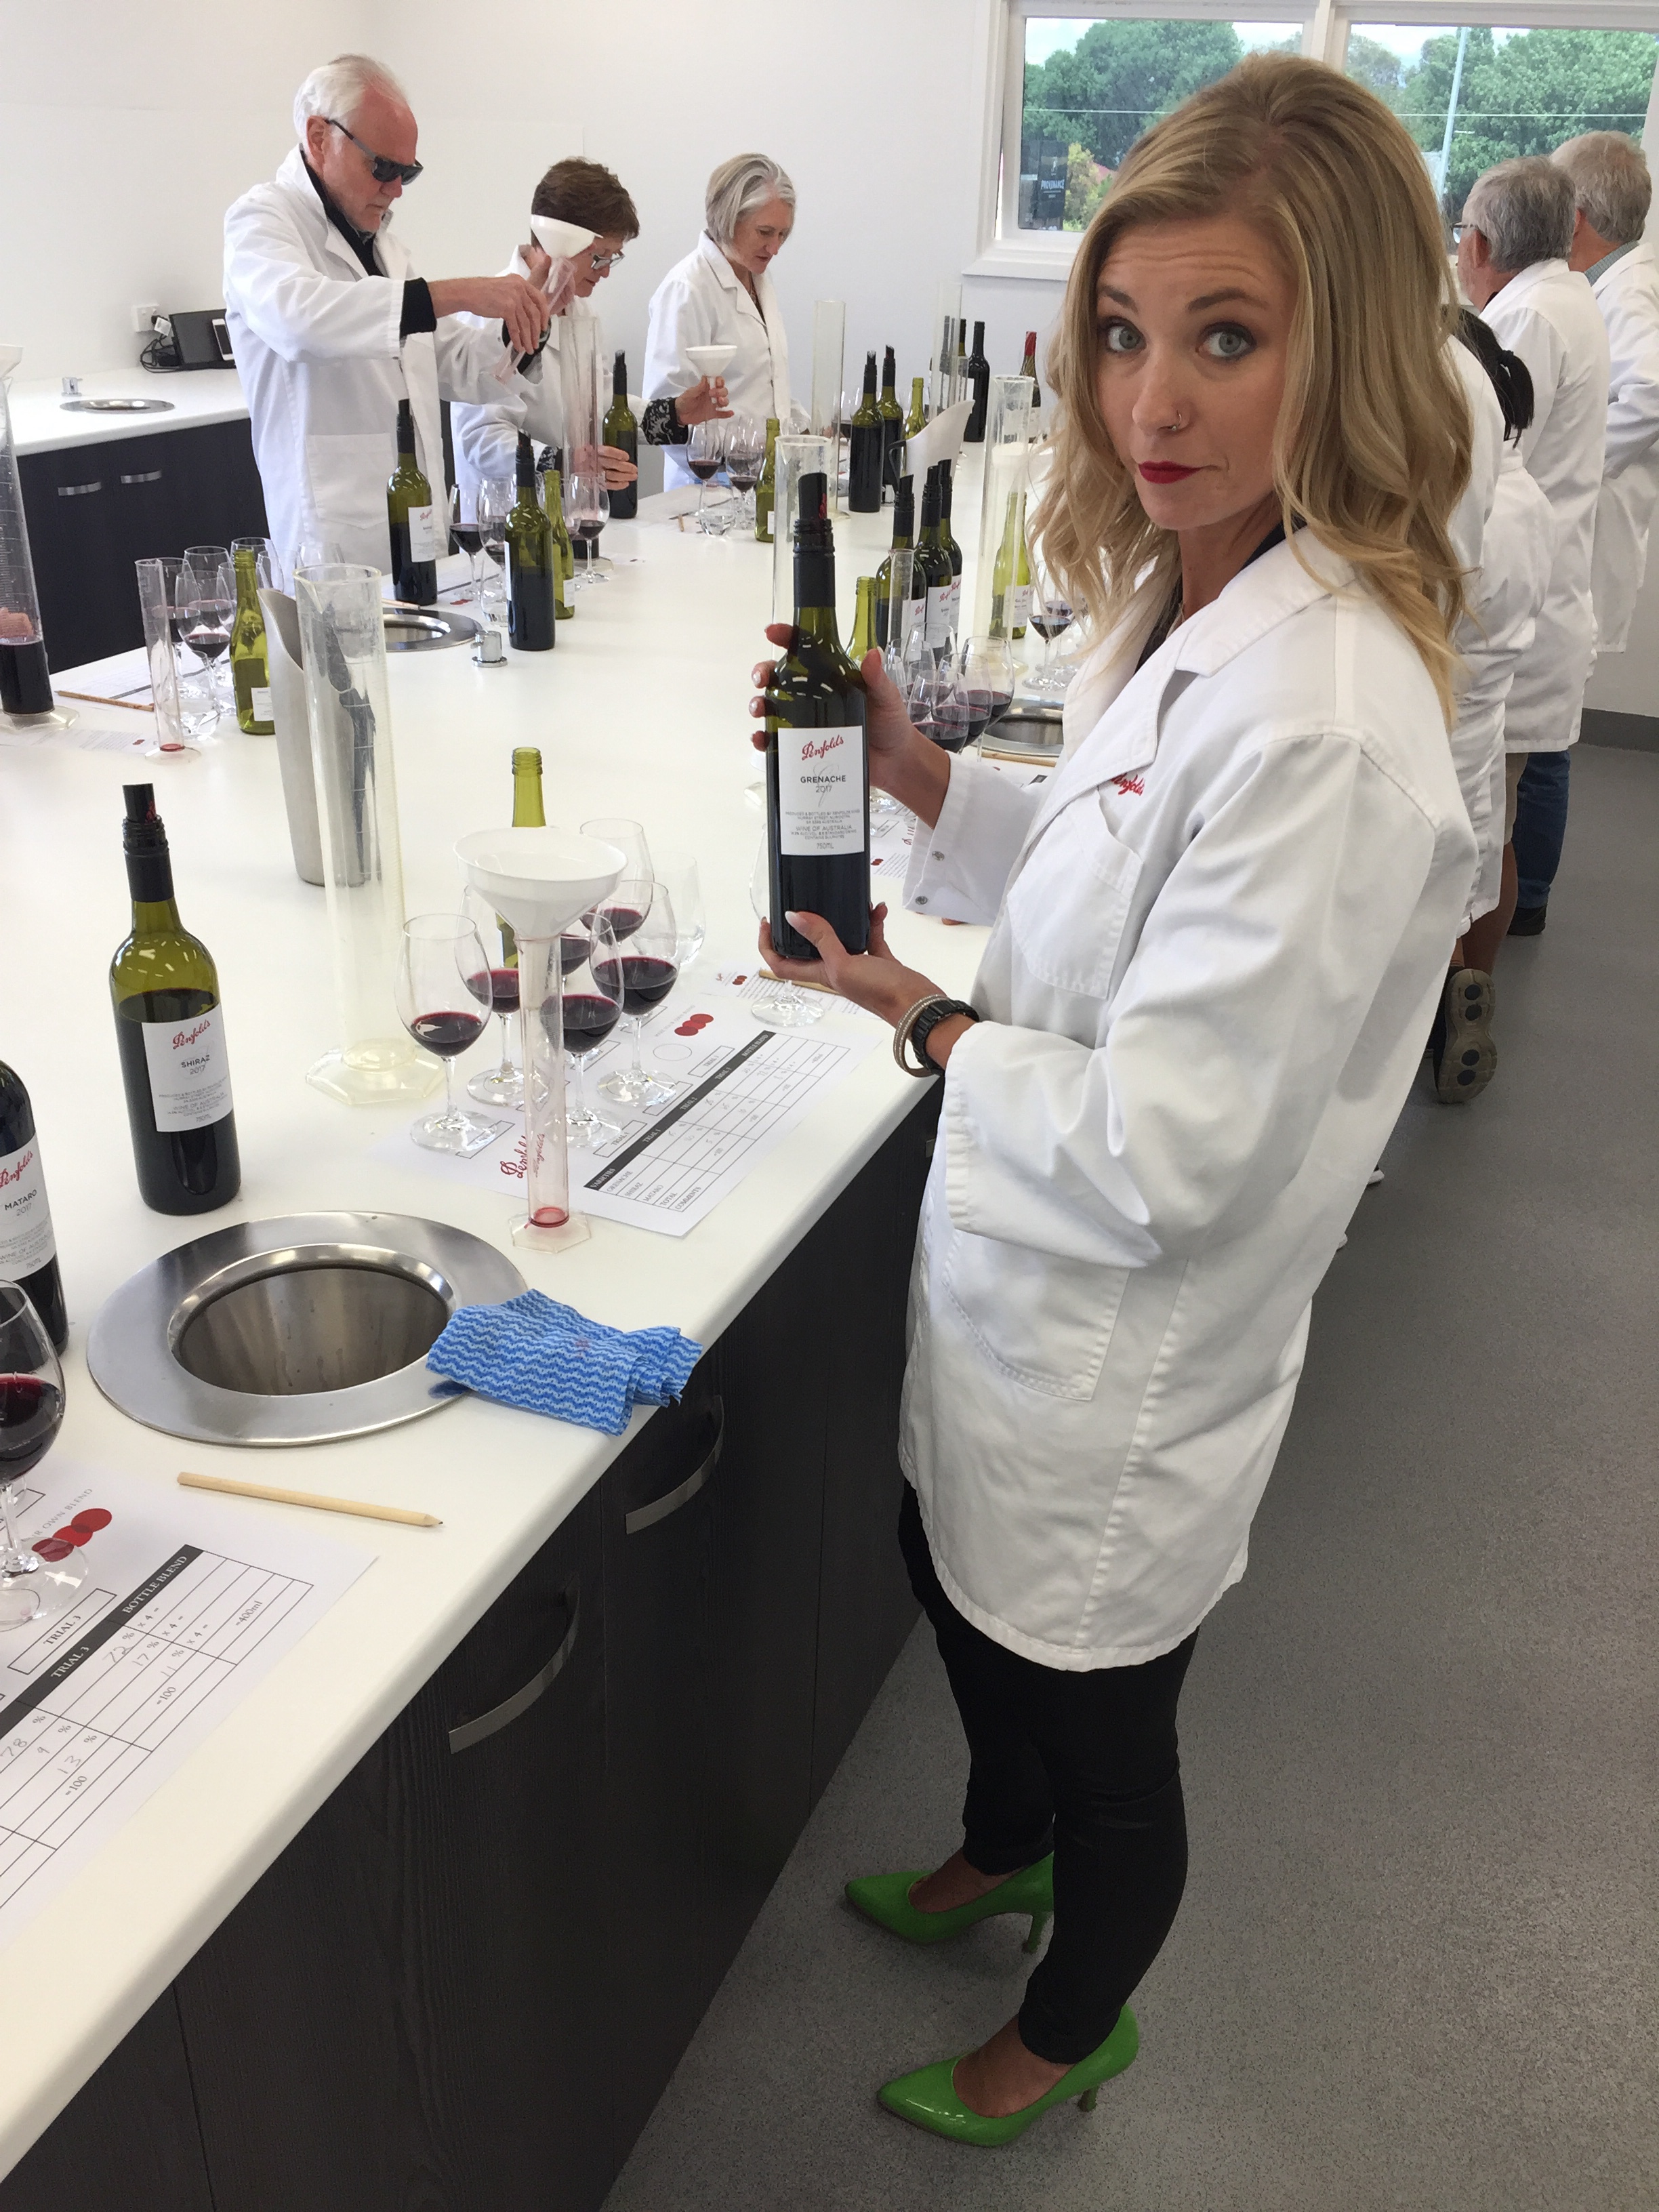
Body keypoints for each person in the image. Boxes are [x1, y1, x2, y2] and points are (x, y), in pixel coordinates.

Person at [750, 54, 1476, 2144]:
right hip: (1019, 1297)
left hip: (1127, 1349)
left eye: (1227, 339)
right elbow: (1101, 874)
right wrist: (917, 777)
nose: (1153, 403)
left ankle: (1070, 2023)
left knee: (1103, 1726)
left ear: (1350, 350)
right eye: (1126, 334)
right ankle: (1000, 1845)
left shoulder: (1326, 721)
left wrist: (924, 1022)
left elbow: (1179, 1154)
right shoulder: (1194, 585)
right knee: (952, 1581)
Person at [224, 56, 551, 575]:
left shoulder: (385, 249)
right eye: (383, 168)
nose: (396, 189)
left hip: (420, 525)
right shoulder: (263, 220)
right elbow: (299, 320)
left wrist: (527, 327)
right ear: (319, 137)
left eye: (408, 173)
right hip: (332, 534)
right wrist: (460, 293)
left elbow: (456, 363)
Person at [1457, 159, 1610, 945]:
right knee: (1513, 797)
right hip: (1538, 576)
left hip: (1518, 586)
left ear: (1480, 243)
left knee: (1496, 816)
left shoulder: (1526, 319)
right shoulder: (1562, 297)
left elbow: (1493, 440)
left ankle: (1508, 931)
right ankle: (1506, 931)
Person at [449, 159, 728, 524]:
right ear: (558, 242)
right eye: (599, 258)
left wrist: (674, 414)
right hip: (507, 526)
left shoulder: (581, 313)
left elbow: (603, 406)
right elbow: (481, 440)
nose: (606, 272)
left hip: (576, 518)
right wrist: (564, 463)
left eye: (613, 258)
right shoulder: (490, 315)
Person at [1535, 131, 1659, 933]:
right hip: (1582, 529)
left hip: (1591, 533)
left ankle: (1527, 901)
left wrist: (1579, 461)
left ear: (1574, 213)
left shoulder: (1628, 291)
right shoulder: (1600, 287)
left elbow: (1651, 389)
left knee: (1546, 727)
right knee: (1546, 718)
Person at [1433, 316, 1552, 1101]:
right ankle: (1475, 984)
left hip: (1442, 711)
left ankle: (1441, 998)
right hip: (1492, 707)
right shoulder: (1529, 494)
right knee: (1488, 853)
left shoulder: (1458, 501)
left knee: (1424, 881)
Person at [644, 154, 794, 490]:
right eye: (765, 232)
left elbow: (766, 387)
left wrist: (802, 436)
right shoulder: (687, 288)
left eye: (783, 234)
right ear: (728, 218)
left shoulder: (759, 279)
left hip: (761, 480)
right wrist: (735, 462)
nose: (775, 248)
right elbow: (665, 410)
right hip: (708, 487)